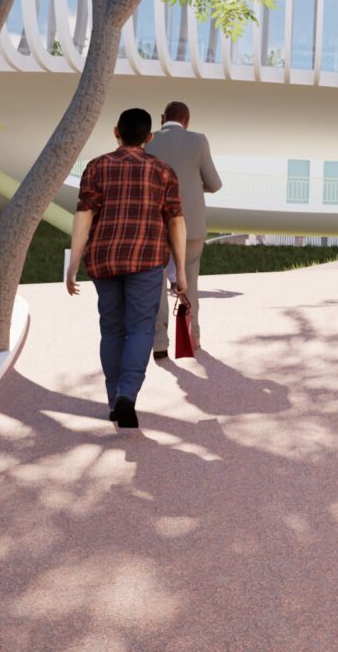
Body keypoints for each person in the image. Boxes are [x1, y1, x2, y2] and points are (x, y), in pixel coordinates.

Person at [65, 107, 188, 429]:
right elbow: (175, 221)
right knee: (140, 329)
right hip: (147, 260)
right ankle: (127, 396)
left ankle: (112, 402)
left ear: (116, 132)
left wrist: (73, 263)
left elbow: (84, 216)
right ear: (149, 138)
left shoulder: (96, 167)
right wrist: (182, 273)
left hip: (103, 259)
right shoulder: (163, 171)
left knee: (112, 330)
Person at [144, 100, 223, 361]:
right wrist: (192, 186)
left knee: (155, 285)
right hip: (190, 226)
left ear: (161, 117)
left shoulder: (148, 140)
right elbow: (214, 183)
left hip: (155, 227)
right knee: (189, 283)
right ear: (187, 121)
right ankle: (191, 338)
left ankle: (159, 343)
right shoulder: (198, 141)